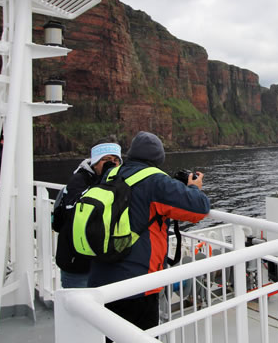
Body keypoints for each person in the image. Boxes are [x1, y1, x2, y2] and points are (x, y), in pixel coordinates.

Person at [88, 131, 210, 339]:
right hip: (138, 284)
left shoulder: (110, 175)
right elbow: (198, 209)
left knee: (110, 336)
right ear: (158, 159)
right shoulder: (155, 181)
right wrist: (194, 188)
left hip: (102, 277)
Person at [53, 140, 122, 288]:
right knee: (76, 305)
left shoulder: (116, 182)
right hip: (76, 262)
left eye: (116, 160)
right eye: (107, 160)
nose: (112, 164)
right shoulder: (79, 180)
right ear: (95, 162)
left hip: (100, 260)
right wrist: (104, 183)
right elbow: (76, 211)